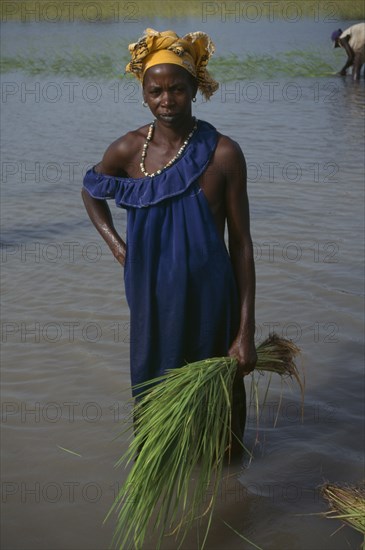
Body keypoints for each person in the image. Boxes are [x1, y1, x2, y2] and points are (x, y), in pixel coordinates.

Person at [81, 29, 257, 453]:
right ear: (143, 93)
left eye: (177, 89)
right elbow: (91, 191)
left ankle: (229, 491)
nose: (166, 100)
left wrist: (245, 332)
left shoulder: (223, 154)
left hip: (211, 302)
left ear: (194, 89)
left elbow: (243, 245)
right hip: (150, 302)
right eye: (155, 90)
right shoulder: (127, 150)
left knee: (219, 422)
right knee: (154, 406)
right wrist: (120, 249)